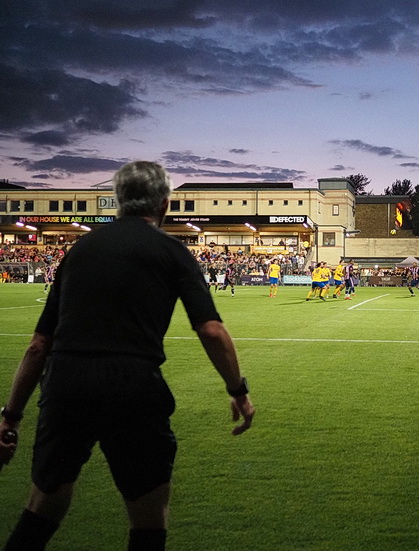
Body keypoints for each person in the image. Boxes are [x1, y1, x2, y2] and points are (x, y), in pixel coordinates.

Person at [0, 161, 255, 551]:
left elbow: (38, 345)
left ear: (118, 200)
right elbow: (211, 329)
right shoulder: (171, 250)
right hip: (132, 385)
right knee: (148, 516)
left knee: (43, 505)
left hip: (66, 384)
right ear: (165, 205)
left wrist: (10, 418)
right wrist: (238, 389)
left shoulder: (79, 251)